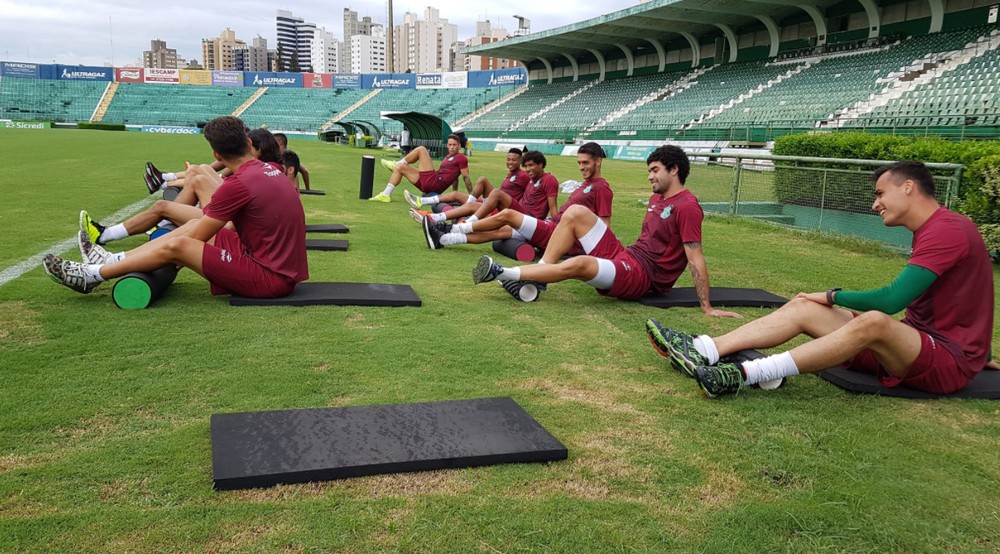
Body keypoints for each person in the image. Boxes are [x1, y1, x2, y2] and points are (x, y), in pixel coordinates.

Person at [646, 160, 994, 397]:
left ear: (907, 188)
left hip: (945, 361)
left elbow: (891, 301)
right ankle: (705, 350)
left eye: (879, 193)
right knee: (802, 306)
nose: (875, 205)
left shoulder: (948, 230)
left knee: (874, 320)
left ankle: (747, 374)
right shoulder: (935, 229)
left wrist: (832, 295)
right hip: (918, 345)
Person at [43, 116, 308, 299]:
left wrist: (169, 250)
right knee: (193, 224)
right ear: (249, 144)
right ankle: (115, 259)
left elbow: (195, 241)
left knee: (182, 244)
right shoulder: (271, 169)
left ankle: (93, 275)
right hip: (269, 262)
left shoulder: (237, 184)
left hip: (271, 278)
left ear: (216, 155)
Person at [470, 145, 739, 314]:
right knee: (576, 213)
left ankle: (503, 273)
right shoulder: (658, 198)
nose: (649, 176)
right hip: (629, 255)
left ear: (675, 169)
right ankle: (539, 275)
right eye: (649, 170)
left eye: (655, 170)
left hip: (643, 278)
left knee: (581, 263)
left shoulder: (688, 206)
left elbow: (695, 258)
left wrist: (707, 307)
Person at [83, 128, 287, 246]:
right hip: (236, 223)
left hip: (233, 227)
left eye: (248, 147)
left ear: (258, 147)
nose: (246, 151)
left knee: (163, 208)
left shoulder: (262, 169)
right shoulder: (266, 168)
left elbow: (232, 197)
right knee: (200, 176)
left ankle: (106, 237)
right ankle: (164, 190)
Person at [421, 143, 609, 253]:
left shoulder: (601, 188)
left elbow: (604, 226)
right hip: (550, 228)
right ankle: (445, 239)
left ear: (598, 161)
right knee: (499, 232)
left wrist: (589, 250)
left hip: (550, 229)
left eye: (585, 163)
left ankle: (450, 226)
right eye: (579, 163)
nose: (581, 167)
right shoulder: (585, 185)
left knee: (506, 215)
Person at [406, 148, 529, 224]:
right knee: (456, 194)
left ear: (520, 161)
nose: (510, 162)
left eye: (514, 160)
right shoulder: (512, 174)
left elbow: (531, 192)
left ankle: (431, 217)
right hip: (494, 202)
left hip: (501, 208)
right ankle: (420, 201)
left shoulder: (523, 176)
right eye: (508, 159)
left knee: (482, 180)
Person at [370, 135, 471, 203]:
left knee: (421, 150)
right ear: (447, 146)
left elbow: (466, 177)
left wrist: (471, 197)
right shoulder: (448, 157)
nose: (452, 147)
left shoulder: (461, 158)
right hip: (428, 185)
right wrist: (455, 193)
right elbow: (455, 178)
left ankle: (396, 163)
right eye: (450, 145)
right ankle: (385, 194)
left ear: (459, 146)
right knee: (400, 168)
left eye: (454, 145)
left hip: (434, 183)